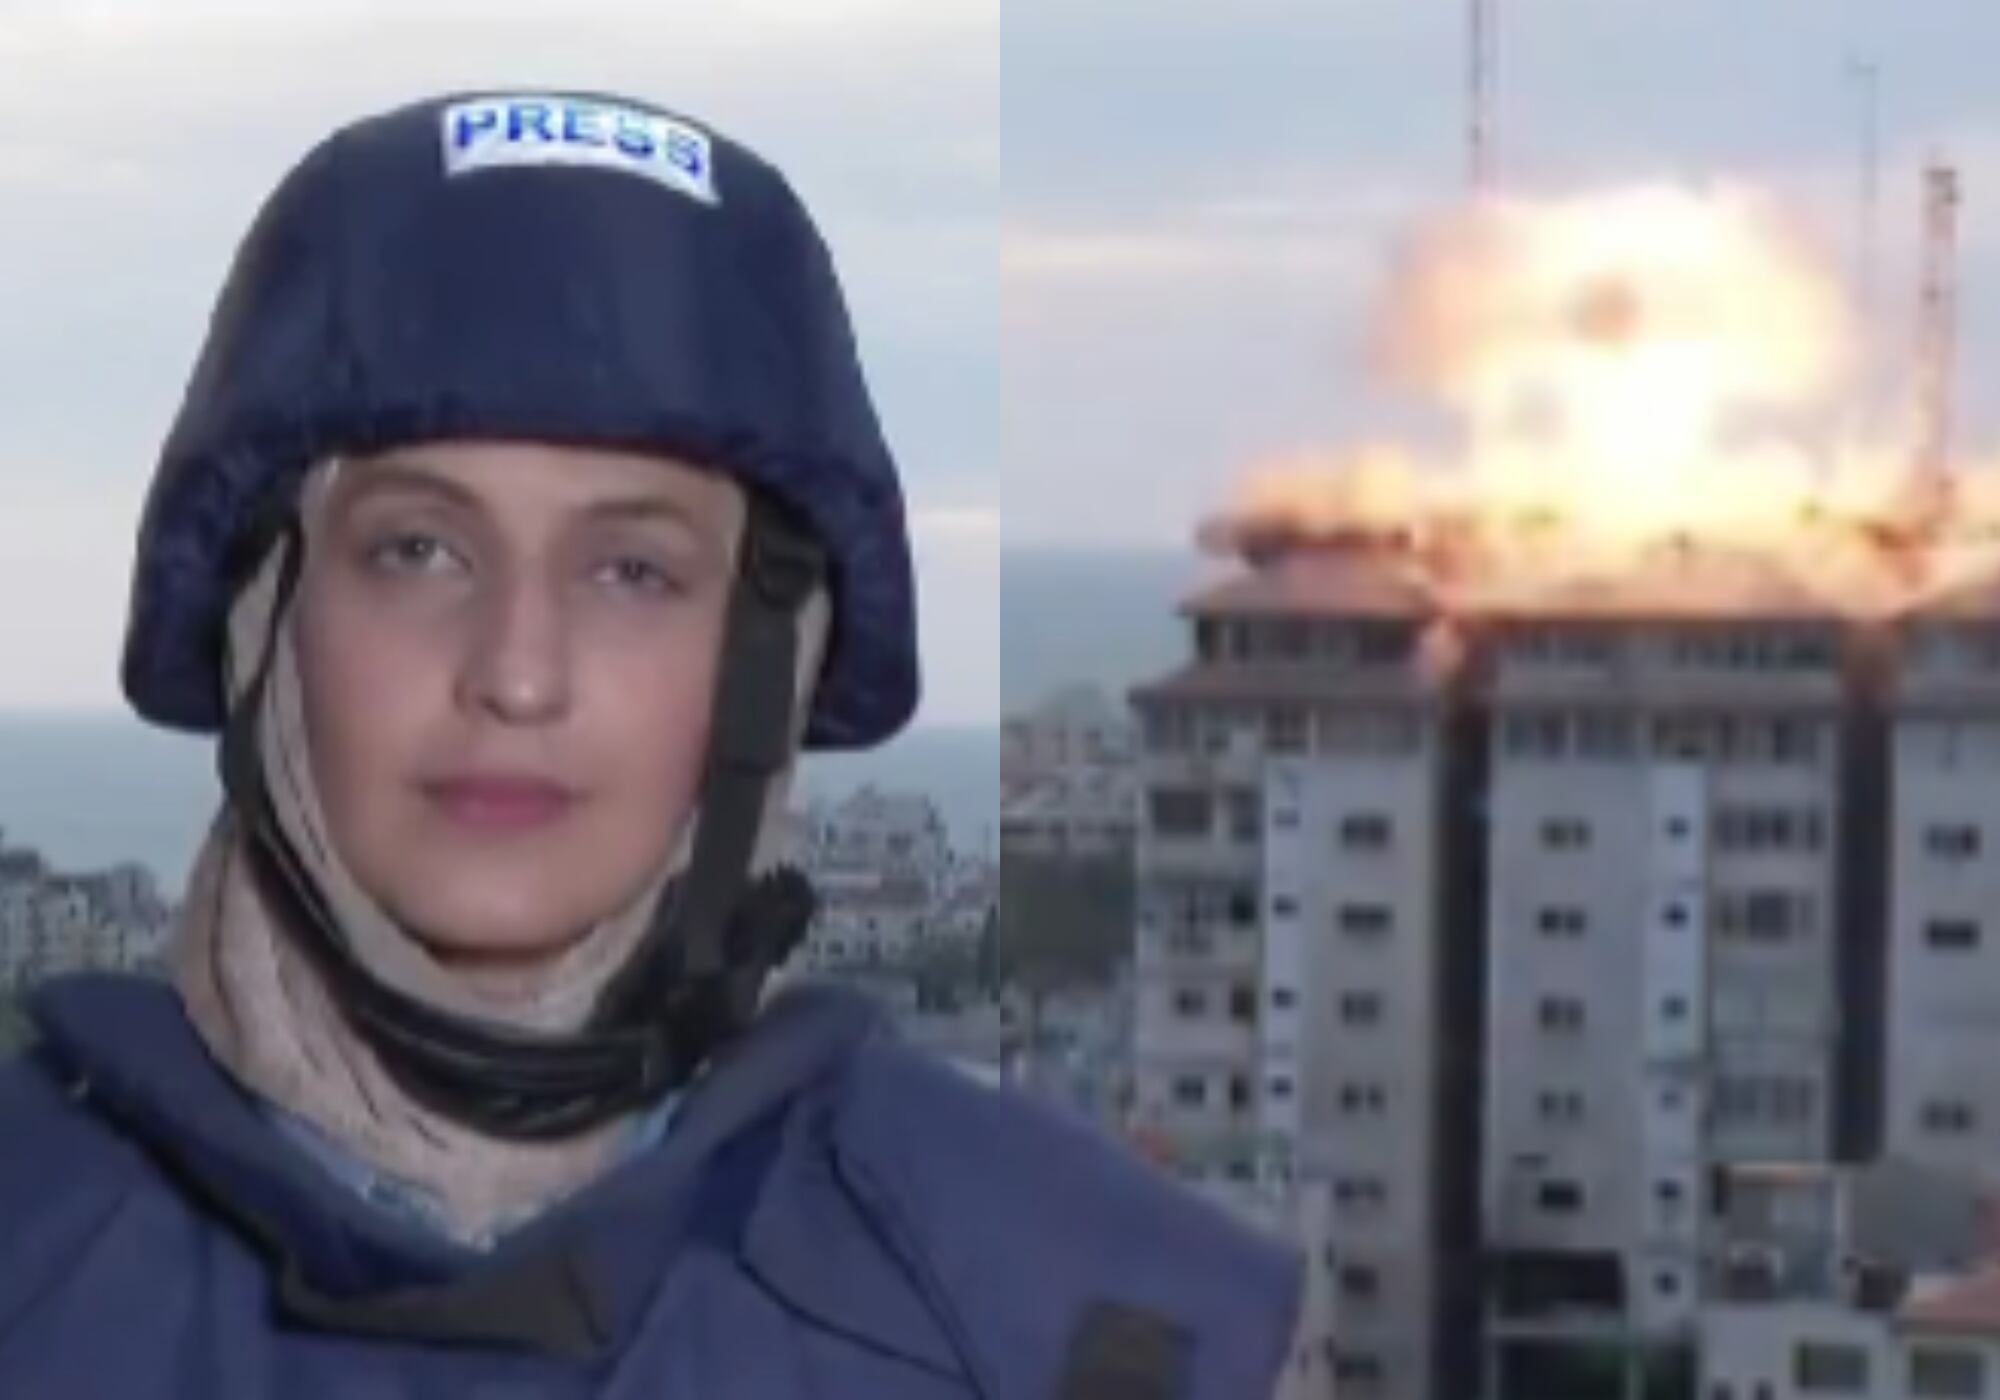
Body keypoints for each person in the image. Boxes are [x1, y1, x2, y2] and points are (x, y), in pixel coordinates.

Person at [0, 90, 1302, 1397]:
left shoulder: (1104, 1338)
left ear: (767, 658)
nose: (518, 673)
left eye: (632, 570)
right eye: (418, 549)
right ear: (265, 621)